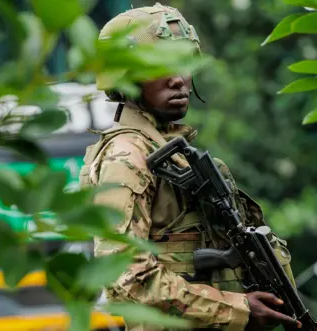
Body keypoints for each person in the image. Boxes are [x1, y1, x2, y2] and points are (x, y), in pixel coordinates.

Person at [79, 3, 302, 331]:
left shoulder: (170, 151)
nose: (178, 79)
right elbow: (126, 278)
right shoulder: (127, 157)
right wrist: (238, 309)